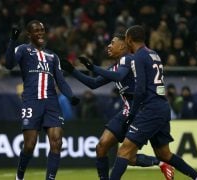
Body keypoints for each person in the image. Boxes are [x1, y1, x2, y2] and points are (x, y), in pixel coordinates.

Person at [60, 30, 174, 180]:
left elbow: (119, 76)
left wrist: (93, 68)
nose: (108, 46)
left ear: (122, 46)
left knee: (126, 155)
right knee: (102, 147)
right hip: (126, 111)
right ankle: (160, 163)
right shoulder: (117, 66)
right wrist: (72, 70)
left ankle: (161, 163)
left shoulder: (129, 60)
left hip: (138, 111)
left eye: (112, 43)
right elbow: (94, 83)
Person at [108, 25, 197, 180]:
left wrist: (133, 113)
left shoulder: (138, 57)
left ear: (129, 39)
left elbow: (141, 89)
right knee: (164, 154)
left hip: (150, 108)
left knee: (124, 152)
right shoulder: (154, 54)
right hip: (162, 106)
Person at [4, 20, 79, 180]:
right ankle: (19, 176)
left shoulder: (53, 56)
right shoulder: (23, 49)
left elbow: (61, 81)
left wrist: (70, 96)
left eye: (42, 30)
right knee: (30, 145)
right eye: (36, 30)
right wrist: (12, 40)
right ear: (29, 34)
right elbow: (9, 65)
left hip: (51, 103)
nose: (40, 33)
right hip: (32, 101)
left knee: (57, 142)